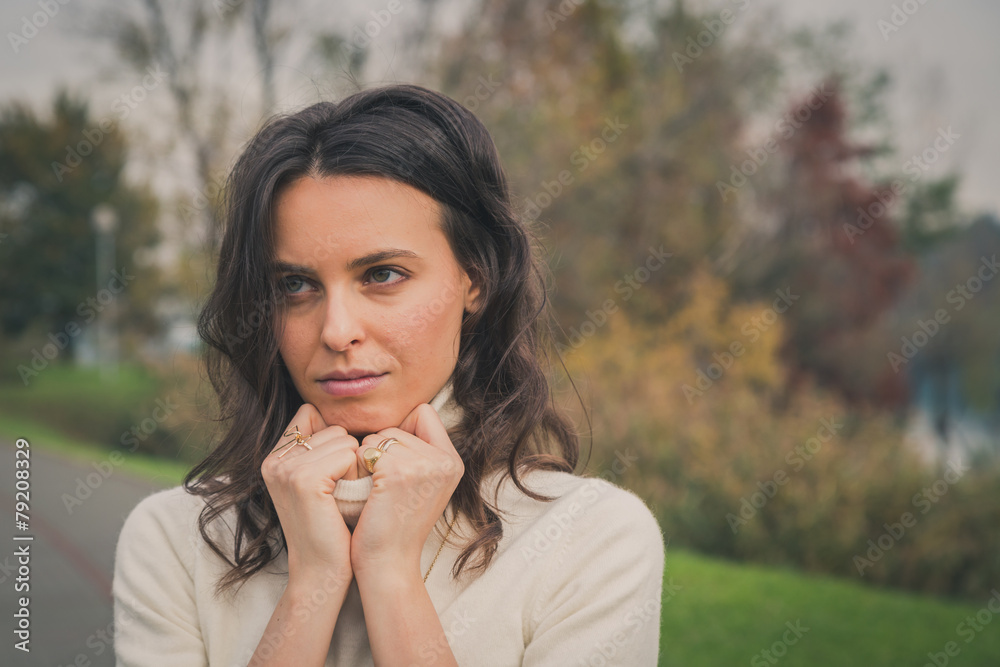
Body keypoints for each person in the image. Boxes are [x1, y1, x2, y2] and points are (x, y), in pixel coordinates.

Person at [112, 83, 666, 666]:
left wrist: (391, 575)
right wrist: (314, 583)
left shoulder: (590, 539)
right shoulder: (174, 541)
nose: (336, 330)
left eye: (382, 274)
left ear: (474, 278)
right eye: (295, 285)